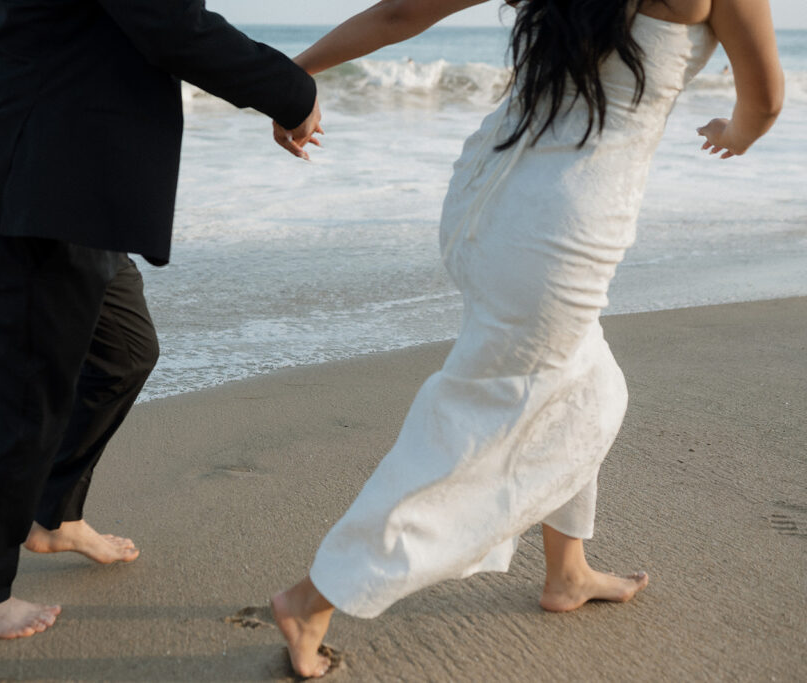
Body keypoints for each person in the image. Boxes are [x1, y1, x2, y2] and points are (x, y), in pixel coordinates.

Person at [268, 0, 783, 677]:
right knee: (480, 424)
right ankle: (314, 597)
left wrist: (288, 79)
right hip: (561, 228)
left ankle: (567, 571)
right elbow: (766, 96)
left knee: (588, 386)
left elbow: (400, 13)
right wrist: (738, 132)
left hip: (485, 199)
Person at [0, 0, 322, 640]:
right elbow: (172, 26)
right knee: (27, 397)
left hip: (66, 188)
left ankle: (53, 514)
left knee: (124, 354)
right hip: (39, 195)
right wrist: (293, 94)